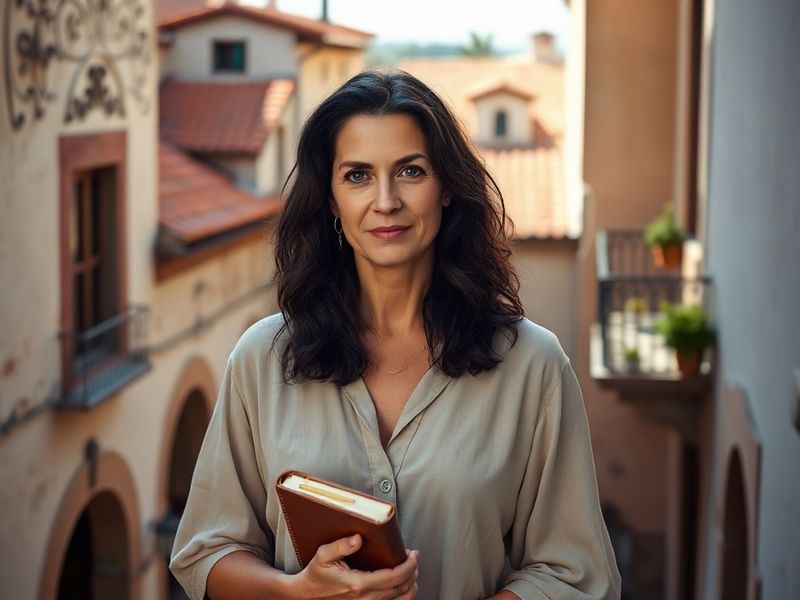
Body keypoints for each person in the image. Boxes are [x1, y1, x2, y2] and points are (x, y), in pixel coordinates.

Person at [170, 69, 621, 599]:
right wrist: (296, 592)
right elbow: (206, 552)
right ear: (331, 199)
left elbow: (574, 574)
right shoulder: (261, 359)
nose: (385, 201)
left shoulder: (533, 365)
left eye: (410, 171)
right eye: (357, 175)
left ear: (447, 187)